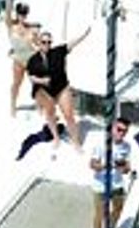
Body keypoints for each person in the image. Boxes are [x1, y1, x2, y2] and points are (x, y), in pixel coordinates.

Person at [27, 21, 92, 152]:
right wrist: (41, 81)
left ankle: (76, 142)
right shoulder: (33, 60)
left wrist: (84, 34)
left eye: (49, 42)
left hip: (61, 87)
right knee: (50, 115)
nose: (47, 45)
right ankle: (56, 137)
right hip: (45, 91)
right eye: (44, 42)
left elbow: (72, 43)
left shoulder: (58, 52)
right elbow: (31, 76)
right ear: (39, 43)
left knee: (68, 115)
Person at [90, 117, 134, 228]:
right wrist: (105, 165)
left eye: (125, 131)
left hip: (117, 183)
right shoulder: (101, 144)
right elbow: (92, 164)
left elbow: (127, 167)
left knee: (118, 209)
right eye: (119, 129)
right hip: (101, 185)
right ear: (113, 128)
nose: (121, 133)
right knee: (100, 213)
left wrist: (124, 168)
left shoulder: (126, 146)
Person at [6, 2, 39, 114]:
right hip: (18, 61)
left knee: (36, 84)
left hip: (31, 60)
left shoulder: (32, 29)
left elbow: (38, 45)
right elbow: (7, 12)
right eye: (21, 13)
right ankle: (12, 105)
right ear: (17, 13)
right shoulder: (11, 26)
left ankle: (40, 105)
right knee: (16, 84)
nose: (23, 16)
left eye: (25, 13)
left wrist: (37, 41)